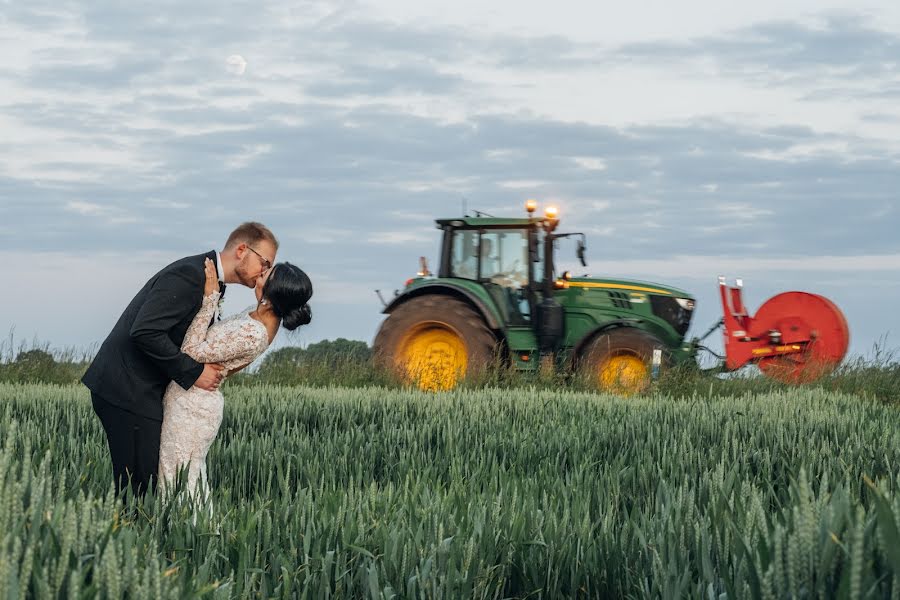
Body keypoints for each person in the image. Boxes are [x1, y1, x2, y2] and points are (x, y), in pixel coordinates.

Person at [82, 222, 278, 499]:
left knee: (148, 487)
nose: (265, 272)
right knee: (138, 490)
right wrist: (193, 372)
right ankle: (130, 540)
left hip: (142, 388)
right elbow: (145, 330)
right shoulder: (190, 275)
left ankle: (143, 539)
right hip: (127, 388)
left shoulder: (209, 281)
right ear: (242, 250)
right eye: (265, 262)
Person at [157, 258, 312, 513]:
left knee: (181, 479)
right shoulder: (259, 313)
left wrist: (210, 299)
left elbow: (191, 352)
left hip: (193, 408)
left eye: (266, 275)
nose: (260, 272)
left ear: (271, 296)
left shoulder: (254, 333)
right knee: (175, 476)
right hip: (188, 396)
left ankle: (191, 540)